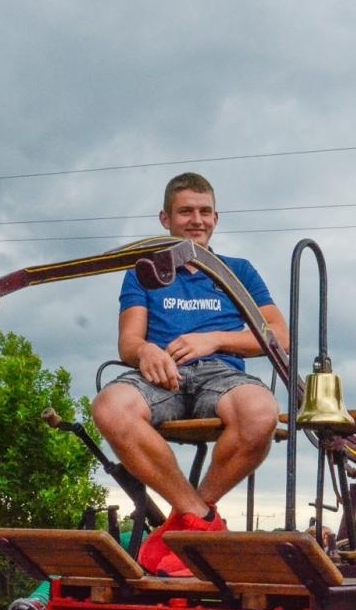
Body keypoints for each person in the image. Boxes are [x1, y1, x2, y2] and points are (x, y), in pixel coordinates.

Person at [91, 172, 289, 576]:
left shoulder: (238, 271)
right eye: (185, 212)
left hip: (221, 375)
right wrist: (146, 350)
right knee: (110, 408)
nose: (196, 220)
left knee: (260, 412)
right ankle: (200, 520)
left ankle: (182, 524)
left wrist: (214, 339)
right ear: (166, 219)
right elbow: (128, 342)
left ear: (216, 218)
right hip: (162, 375)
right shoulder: (141, 273)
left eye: (204, 211)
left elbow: (278, 337)